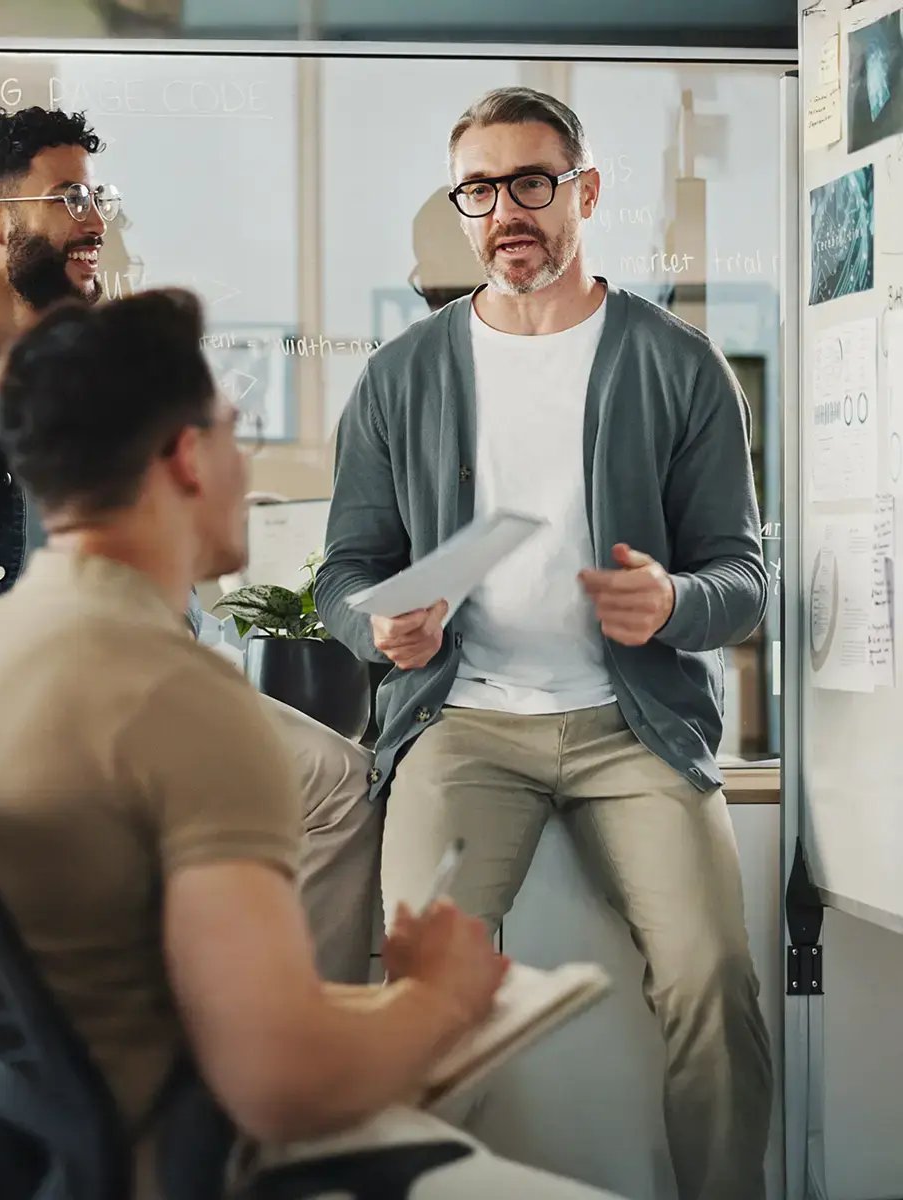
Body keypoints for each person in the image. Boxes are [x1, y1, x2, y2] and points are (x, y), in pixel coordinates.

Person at [0, 289, 620, 1200]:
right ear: (185, 458)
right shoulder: (182, 700)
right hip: (190, 1164)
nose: (244, 464)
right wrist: (440, 997)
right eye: (232, 432)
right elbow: (284, 1084)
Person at [315, 85, 772, 1200]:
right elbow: (340, 576)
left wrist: (672, 604)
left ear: (585, 192)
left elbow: (743, 578)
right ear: (460, 207)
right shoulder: (401, 375)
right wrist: (378, 624)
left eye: (533, 182)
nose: (506, 210)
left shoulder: (677, 364)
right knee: (426, 1001)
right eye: (481, 188)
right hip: (462, 727)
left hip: (636, 732)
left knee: (713, 981)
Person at [0, 105, 378, 984]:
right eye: (72, 197)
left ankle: (301, 1017)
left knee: (336, 782)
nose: (98, 221)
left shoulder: (100, 362)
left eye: (102, 196)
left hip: (129, 675)